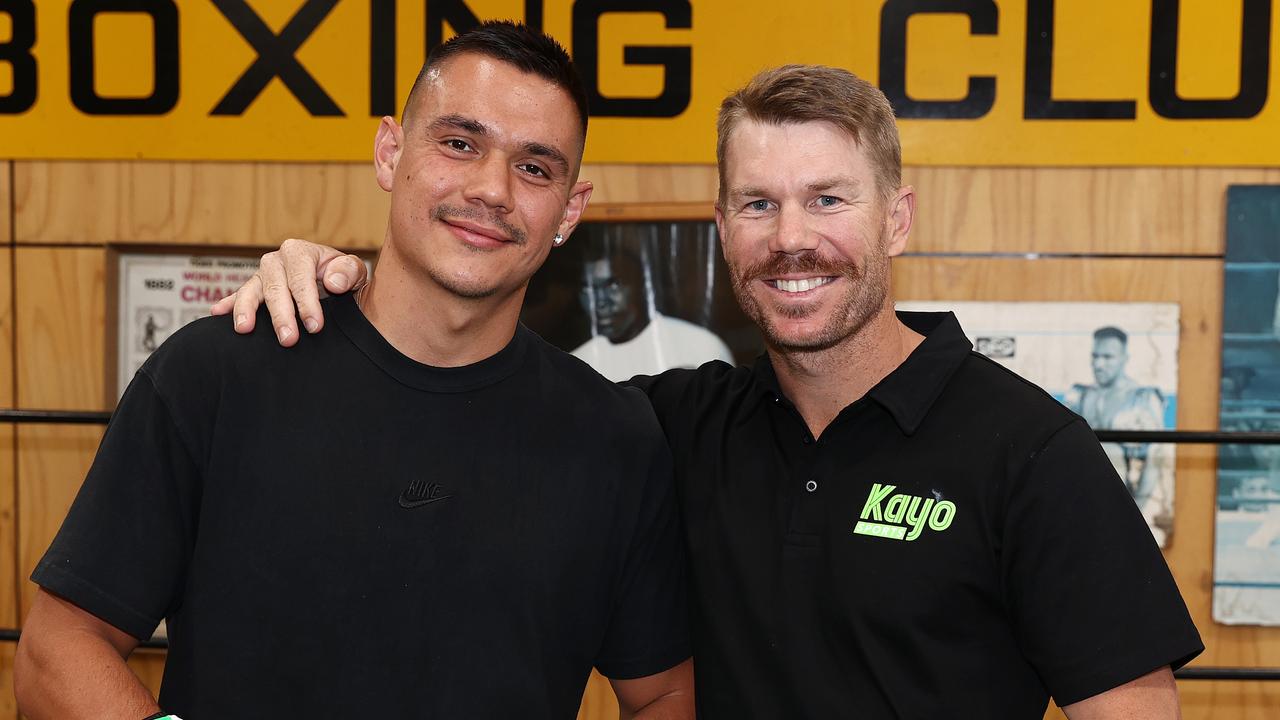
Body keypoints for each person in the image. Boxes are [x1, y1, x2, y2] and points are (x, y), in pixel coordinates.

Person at [217, 64, 1203, 718]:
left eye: (827, 199)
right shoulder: (671, 427)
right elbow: (470, 380)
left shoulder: (1029, 453)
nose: (790, 239)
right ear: (722, 226)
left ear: (894, 219)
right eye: (757, 204)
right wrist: (338, 283)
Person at [14, 22, 693, 720]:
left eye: (535, 167)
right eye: (460, 144)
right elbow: (56, 649)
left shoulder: (613, 436)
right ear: (390, 152)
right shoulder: (217, 375)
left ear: (569, 211)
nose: (493, 189)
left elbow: (664, 692)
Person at [1063, 326, 1174, 544]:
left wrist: (1134, 513)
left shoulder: (1143, 398)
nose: (1099, 364)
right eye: (1095, 356)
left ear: (1125, 358)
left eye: (1108, 357)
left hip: (1128, 504)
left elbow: (1155, 456)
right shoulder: (1081, 396)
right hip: (1080, 505)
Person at [573, 243, 734, 381]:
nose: (599, 301)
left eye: (614, 285)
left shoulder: (701, 348)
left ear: (643, 287)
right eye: (587, 289)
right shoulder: (577, 366)